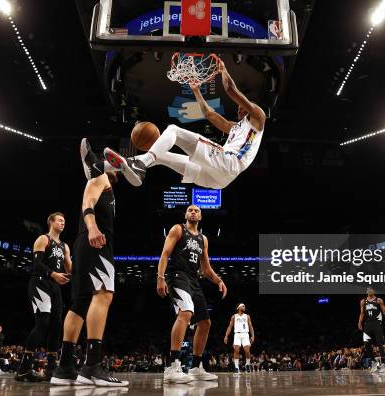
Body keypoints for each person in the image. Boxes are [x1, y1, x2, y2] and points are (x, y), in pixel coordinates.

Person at [83, 60, 266, 190]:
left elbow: (230, 90)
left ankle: (141, 163)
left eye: (244, 106)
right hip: (218, 180)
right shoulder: (234, 127)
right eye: (239, 109)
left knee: (173, 131)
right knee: (159, 156)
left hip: (229, 163)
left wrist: (224, 70)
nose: (240, 109)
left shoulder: (258, 118)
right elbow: (209, 114)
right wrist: (196, 91)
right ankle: (99, 167)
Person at [51, 150, 128, 387]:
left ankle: (64, 369)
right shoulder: (100, 179)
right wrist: (93, 227)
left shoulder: (105, 184)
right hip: (96, 242)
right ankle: (92, 366)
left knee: (81, 303)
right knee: (104, 294)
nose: (117, 166)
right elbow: (88, 204)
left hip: (84, 244)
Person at [157, 205, 227, 383]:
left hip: (193, 280)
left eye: (196, 210)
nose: (193, 212)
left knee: (205, 322)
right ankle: (172, 367)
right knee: (186, 311)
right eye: (190, 210)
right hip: (177, 275)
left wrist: (219, 281)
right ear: (185, 215)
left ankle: (195, 367)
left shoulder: (203, 239)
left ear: (201, 216)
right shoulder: (178, 229)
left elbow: (206, 269)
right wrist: (160, 277)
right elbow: (165, 254)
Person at [15, 212, 73, 382]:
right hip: (40, 283)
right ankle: (23, 369)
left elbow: (70, 269)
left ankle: (51, 370)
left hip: (55, 287)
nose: (63, 223)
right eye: (60, 220)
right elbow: (37, 264)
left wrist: (77, 272)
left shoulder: (65, 246)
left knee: (56, 325)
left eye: (64, 221)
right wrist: (54, 274)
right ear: (51, 222)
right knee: (43, 322)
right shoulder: (43, 239)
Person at [358, 287, 385, 373]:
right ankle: (374, 363)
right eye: (368, 289)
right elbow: (362, 313)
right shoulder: (363, 301)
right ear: (366, 291)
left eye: (371, 289)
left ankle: (383, 365)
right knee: (366, 344)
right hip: (367, 324)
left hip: (377, 324)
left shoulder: (379, 300)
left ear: (374, 291)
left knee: (380, 343)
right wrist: (359, 322)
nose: (369, 291)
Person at [223, 303, 255, 373]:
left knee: (247, 351)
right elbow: (230, 327)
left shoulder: (247, 316)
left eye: (244, 306)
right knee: (236, 350)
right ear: (238, 307)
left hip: (245, 334)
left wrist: (252, 335)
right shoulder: (234, 316)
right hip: (237, 334)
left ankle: (247, 364)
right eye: (243, 306)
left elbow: (250, 326)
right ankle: (236, 367)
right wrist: (226, 336)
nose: (244, 307)